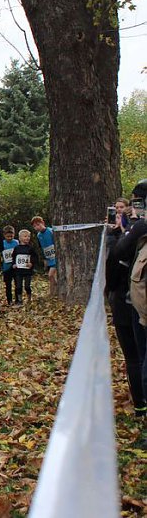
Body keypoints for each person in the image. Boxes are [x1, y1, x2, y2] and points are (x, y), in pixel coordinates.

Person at [107, 180, 147, 420]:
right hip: (131, 300)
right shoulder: (135, 227)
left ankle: (142, 406)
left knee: (137, 356)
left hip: (133, 301)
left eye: (136, 203)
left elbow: (117, 257)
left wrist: (117, 238)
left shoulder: (140, 227)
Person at [32, 216, 57, 296]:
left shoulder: (50, 231)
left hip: (56, 257)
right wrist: (44, 259)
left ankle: (52, 293)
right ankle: (55, 292)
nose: (37, 227)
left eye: (38, 224)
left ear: (43, 223)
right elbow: (41, 248)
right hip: (49, 258)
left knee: (50, 275)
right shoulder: (39, 235)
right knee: (53, 276)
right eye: (34, 226)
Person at [12, 229, 39, 304]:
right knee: (18, 286)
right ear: (20, 238)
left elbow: (35, 257)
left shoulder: (30, 248)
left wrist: (31, 263)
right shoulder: (16, 248)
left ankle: (29, 299)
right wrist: (13, 264)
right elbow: (14, 257)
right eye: (25, 236)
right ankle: (20, 300)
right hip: (18, 270)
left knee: (27, 286)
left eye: (28, 236)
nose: (27, 238)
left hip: (27, 270)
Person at [1, 226, 18, 305]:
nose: (10, 238)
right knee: (8, 285)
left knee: (17, 284)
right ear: (4, 235)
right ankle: (9, 301)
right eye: (8, 236)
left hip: (15, 267)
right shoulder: (2, 243)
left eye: (11, 236)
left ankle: (18, 300)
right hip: (6, 268)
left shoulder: (16, 242)